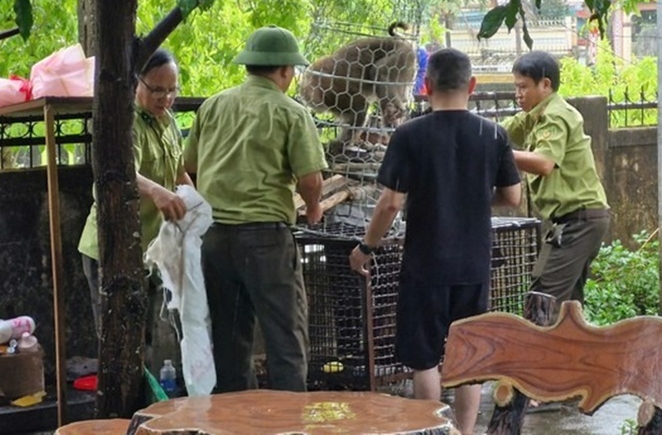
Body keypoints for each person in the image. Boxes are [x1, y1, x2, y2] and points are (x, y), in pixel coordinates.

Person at [349, 48, 521, 435]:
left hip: (424, 265)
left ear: (425, 87)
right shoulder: (493, 134)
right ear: (472, 86)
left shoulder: (409, 134)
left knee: (424, 359)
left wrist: (366, 248)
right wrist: (474, 198)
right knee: (470, 357)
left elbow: (391, 203)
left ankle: (432, 432)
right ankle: (465, 431)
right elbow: (512, 197)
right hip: (474, 265)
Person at [183, 26, 327, 393]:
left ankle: (235, 427)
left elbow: (189, 167)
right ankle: (290, 427)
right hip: (266, 242)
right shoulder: (291, 112)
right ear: (283, 71)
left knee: (231, 347)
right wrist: (313, 209)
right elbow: (310, 179)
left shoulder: (213, 105)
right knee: (285, 342)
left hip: (215, 240)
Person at [78, 49, 192, 346]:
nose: (165, 98)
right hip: (110, 245)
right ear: (135, 84)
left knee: (145, 335)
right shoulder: (125, 124)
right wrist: (156, 191)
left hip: (150, 248)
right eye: (156, 89)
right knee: (118, 337)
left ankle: (148, 393)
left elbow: (179, 174)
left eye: (171, 90)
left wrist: (195, 203)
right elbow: (122, 172)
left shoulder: (168, 123)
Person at [503, 50, 609, 305]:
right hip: (579, 220)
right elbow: (499, 133)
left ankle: (537, 346)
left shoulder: (555, 115)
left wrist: (500, 153)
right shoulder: (533, 116)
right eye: (516, 87)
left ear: (546, 84)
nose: (518, 93)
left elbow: (544, 163)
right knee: (567, 308)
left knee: (542, 301)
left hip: (578, 222)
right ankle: (574, 344)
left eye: (523, 87)